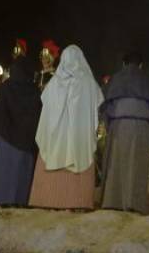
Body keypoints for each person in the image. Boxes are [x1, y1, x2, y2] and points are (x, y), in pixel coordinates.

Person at [28, 45, 103, 210]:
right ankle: (78, 201)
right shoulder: (89, 83)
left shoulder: (54, 83)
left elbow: (46, 109)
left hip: (56, 141)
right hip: (79, 139)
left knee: (52, 155)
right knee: (80, 158)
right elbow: (96, 104)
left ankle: (48, 199)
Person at [99, 51, 149, 214]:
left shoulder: (116, 79)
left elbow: (104, 106)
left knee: (116, 164)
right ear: (141, 65)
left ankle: (113, 201)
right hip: (141, 126)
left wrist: (109, 125)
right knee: (137, 165)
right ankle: (134, 203)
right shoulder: (148, 81)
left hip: (118, 125)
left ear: (124, 64)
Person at [0, 57, 42, 206]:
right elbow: (37, 117)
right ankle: (19, 201)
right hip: (25, 143)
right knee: (19, 177)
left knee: (3, 174)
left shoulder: (5, 88)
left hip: (5, 141)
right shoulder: (34, 91)